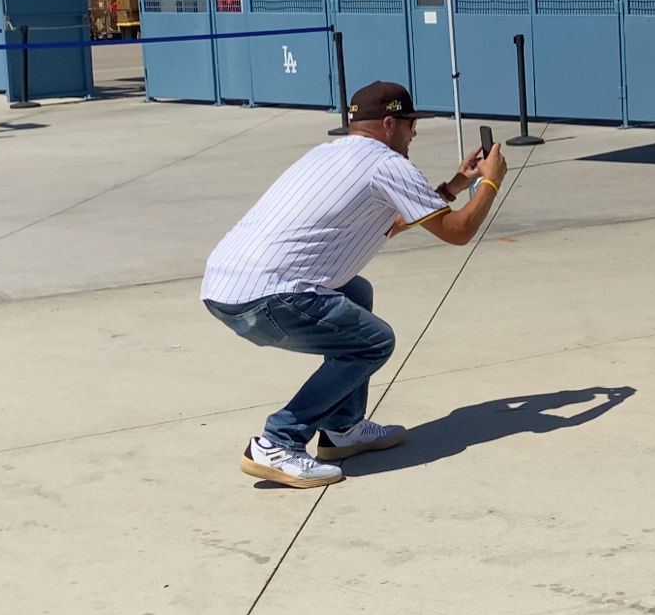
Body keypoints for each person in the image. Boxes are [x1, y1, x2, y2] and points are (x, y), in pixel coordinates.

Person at [201, 81, 507, 489]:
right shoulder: (387, 164)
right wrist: (489, 183)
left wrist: (454, 185)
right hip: (268, 298)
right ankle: (277, 441)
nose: (413, 133)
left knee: (356, 293)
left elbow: (392, 223)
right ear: (387, 123)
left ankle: (342, 429)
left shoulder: (328, 154)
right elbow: (457, 231)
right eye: (409, 124)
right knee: (373, 342)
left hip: (224, 288)